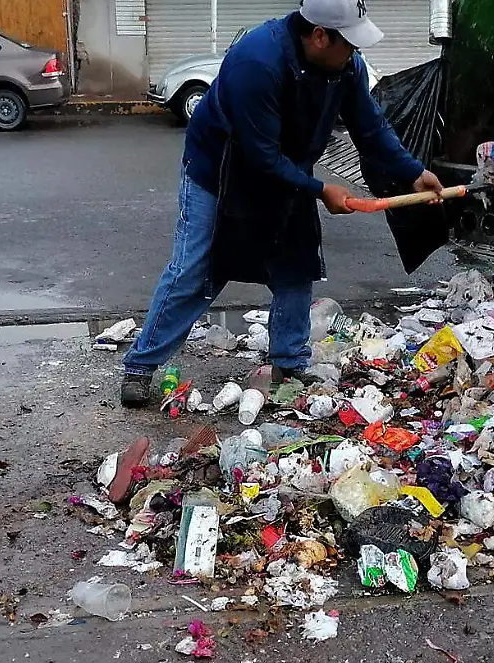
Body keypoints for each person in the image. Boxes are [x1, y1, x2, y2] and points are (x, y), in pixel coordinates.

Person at [120, 0, 443, 407]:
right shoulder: (257, 62)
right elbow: (261, 157)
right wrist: (320, 189)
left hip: (286, 169)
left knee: (295, 265)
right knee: (194, 270)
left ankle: (289, 364)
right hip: (221, 171)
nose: (356, 53)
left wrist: (413, 171)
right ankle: (140, 366)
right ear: (320, 36)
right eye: (350, 43)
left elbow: (370, 126)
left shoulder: (345, 66)